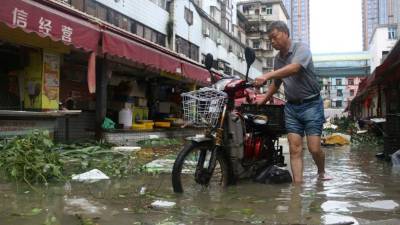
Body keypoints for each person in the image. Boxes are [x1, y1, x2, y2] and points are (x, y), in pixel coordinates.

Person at [254, 21, 331, 183]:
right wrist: (264, 100)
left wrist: (267, 75)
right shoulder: (277, 60)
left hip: (311, 104)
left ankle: (322, 172)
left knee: (314, 148)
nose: (272, 42)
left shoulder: (301, 49)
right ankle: (297, 188)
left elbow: (295, 68)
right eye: (270, 40)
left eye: (274, 37)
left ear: (286, 33)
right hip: (292, 108)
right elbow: (277, 84)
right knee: (295, 149)